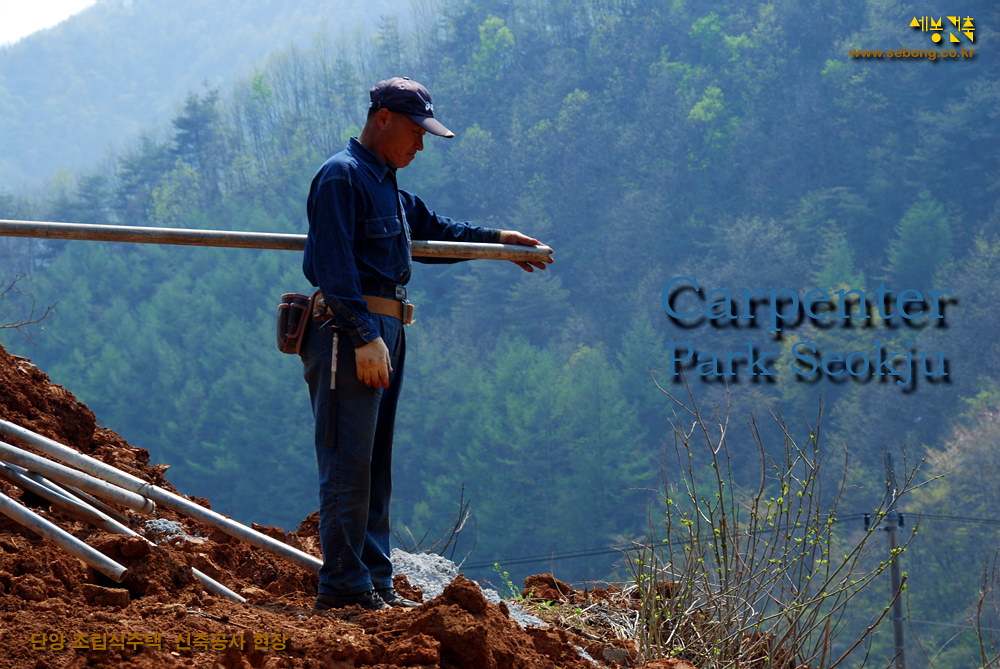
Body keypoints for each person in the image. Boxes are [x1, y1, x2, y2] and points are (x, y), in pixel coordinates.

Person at [300, 77, 552, 611]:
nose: (419, 145)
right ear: (383, 118)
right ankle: (344, 590)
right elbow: (333, 265)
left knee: (373, 463)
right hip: (354, 331)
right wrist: (364, 334)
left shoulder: (383, 181)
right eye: (415, 132)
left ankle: (374, 582)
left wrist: (499, 244)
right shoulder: (340, 177)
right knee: (348, 460)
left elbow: (435, 231)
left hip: (384, 328)